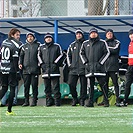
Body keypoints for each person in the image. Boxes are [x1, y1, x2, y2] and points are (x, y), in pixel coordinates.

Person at [80, 28, 110, 107]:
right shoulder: (85, 43)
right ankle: (90, 102)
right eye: (92, 33)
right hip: (89, 69)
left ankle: (106, 101)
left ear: (97, 34)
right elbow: (81, 53)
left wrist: (100, 63)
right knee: (90, 86)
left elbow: (107, 53)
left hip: (100, 69)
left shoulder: (102, 42)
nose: (93, 34)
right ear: (89, 34)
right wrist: (86, 63)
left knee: (103, 85)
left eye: (95, 33)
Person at [0, 28, 22, 115]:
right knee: (13, 88)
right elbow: (15, 58)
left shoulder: (4, 41)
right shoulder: (17, 44)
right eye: (17, 35)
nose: (18, 37)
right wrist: (17, 71)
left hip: (2, 68)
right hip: (11, 69)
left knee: (4, 87)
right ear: (12, 35)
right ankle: (9, 110)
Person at [38, 33, 62, 107]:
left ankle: (57, 102)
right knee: (47, 88)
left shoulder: (57, 46)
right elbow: (38, 56)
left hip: (55, 71)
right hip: (45, 71)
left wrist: (55, 63)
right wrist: (42, 64)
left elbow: (61, 55)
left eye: (49, 37)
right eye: (47, 38)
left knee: (55, 87)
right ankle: (49, 101)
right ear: (44, 39)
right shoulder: (41, 47)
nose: (48, 39)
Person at [19, 32, 40, 107]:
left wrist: (39, 65)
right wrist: (20, 63)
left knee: (34, 86)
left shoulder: (38, 45)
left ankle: (34, 101)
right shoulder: (24, 46)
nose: (30, 38)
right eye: (28, 37)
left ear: (34, 38)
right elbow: (21, 56)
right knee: (26, 86)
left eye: (31, 36)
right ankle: (26, 101)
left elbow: (40, 56)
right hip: (26, 70)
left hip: (35, 69)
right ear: (26, 38)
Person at [67, 29, 87, 106]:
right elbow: (68, 56)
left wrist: (86, 65)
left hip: (84, 69)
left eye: (80, 34)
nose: (78, 35)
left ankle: (82, 99)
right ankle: (74, 98)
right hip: (73, 69)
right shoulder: (72, 45)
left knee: (83, 86)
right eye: (77, 34)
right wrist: (70, 65)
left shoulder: (86, 44)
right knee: (71, 84)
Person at [105, 29, 121, 107]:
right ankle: (106, 101)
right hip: (104, 67)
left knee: (116, 84)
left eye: (110, 33)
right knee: (105, 85)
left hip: (114, 67)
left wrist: (107, 49)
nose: (109, 35)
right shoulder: (103, 43)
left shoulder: (117, 42)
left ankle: (118, 100)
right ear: (106, 35)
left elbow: (115, 50)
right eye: (108, 34)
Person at [122, 29, 133, 106]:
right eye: (130, 34)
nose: (131, 35)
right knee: (127, 84)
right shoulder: (130, 43)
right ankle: (125, 100)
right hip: (130, 66)